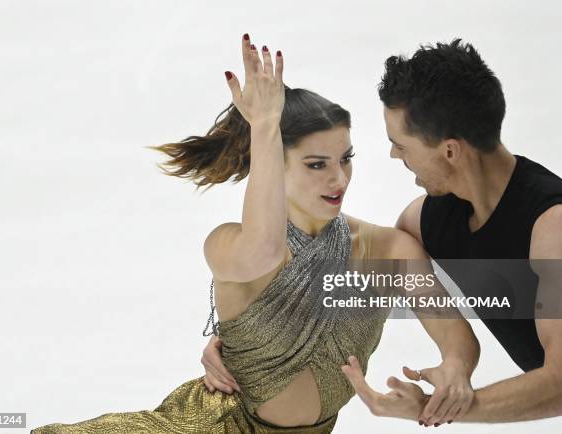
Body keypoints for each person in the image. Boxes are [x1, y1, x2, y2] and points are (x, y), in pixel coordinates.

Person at [30, 34, 479, 434]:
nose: (339, 179)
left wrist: (456, 369)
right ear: (272, 165)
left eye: (346, 158)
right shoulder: (228, 245)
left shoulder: (387, 250)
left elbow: (455, 335)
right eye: (316, 164)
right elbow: (267, 250)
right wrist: (264, 128)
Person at [340, 39, 562, 427]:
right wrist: (241, 343)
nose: (395, 156)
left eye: (400, 145)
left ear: (450, 151)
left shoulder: (552, 226)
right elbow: (354, 257)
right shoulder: (426, 221)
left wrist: (437, 407)